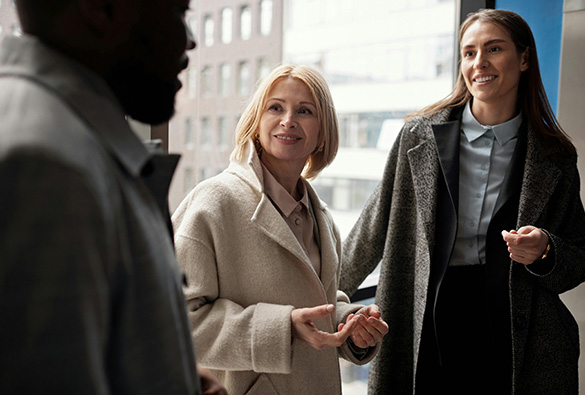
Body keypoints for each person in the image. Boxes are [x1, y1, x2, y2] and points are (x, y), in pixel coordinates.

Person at [340, 8, 585, 395]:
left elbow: (577, 257)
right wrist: (321, 298)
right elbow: (373, 226)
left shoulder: (554, 156)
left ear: (523, 58)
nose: (479, 63)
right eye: (469, 53)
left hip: (521, 337)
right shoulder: (417, 138)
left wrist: (544, 250)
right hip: (429, 322)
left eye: (493, 49)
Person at [0, 0, 225, 393]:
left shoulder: (69, 142)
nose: (189, 43)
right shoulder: (45, 166)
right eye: (177, 12)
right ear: (99, 9)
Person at [172, 64, 389, 394]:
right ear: (256, 123)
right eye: (276, 107)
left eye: (305, 111)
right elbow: (176, 321)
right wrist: (282, 327)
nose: (289, 120)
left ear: (322, 133)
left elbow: (315, 300)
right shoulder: (213, 202)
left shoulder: (323, 218)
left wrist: (349, 323)